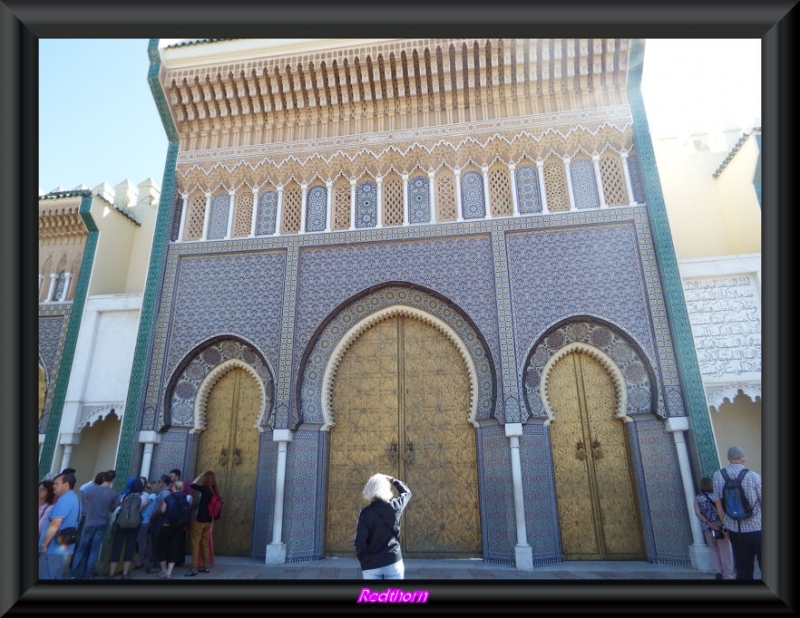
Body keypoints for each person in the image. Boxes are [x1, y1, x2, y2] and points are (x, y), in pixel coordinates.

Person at [713, 445, 762, 580]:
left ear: (728, 458)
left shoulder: (718, 476)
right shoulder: (754, 476)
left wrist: (724, 525)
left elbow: (718, 503)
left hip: (735, 530)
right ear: (743, 458)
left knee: (742, 569)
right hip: (757, 528)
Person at [354, 474, 412, 580]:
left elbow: (360, 542)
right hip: (393, 561)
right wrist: (393, 480)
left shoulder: (365, 513)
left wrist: (364, 561)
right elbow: (407, 493)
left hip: (371, 564)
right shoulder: (395, 507)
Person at [68, 470, 118, 579]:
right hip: (102, 522)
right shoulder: (113, 493)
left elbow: (87, 503)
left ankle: (72, 574)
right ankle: (88, 575)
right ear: (112, 480)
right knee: (94, 550)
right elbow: (112, 508)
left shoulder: (91, 490)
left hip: (89, 522)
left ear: (103, 478)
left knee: (81, 549)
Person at [38, 472, 80, 579]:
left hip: (53, 550)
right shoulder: (74, 498)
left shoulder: (64, 500)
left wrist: (44, 545)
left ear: (66, 485)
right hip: (63, 549)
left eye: (56, 483)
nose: (53, 486)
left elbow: (55, 523)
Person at [694, 476, 734, 579]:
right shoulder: (716, 497)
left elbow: (697, 513)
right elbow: (720, 511)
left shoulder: (698, 498)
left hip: (707, 528)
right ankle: (728, 574)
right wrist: (722, 524)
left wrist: (708, 523)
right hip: (720, 528)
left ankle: (718, 573)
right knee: (725, 551)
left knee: (713, 550)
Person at [107, 478, 144, 579]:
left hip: (121, 524)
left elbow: (116, 507)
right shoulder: (142, 497)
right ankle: (125, 573)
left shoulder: (123, 496)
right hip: (134, 525)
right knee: (129, 548)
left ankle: (111, 573)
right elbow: (140, 510)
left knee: (116, 547)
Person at [185, 470, 218, 576]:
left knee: (195, 543)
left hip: (200, 520)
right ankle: (206, 566)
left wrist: (199, 475)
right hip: (208, 520)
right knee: (204, 543)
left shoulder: (204, 489)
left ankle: (194, 568)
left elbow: (192, 484)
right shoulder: (214, 490)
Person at [156, 480, 189, 579]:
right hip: (178, 527)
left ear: (173, 487)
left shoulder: (168, 497)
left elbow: (162, 510)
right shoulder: (185, 499)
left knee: (161, 547)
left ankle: (164, 570)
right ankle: (169, 572)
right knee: (174, 548)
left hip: (167, 525)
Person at [134, 479, 158, 570]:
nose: (146, 488)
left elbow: (145, 505)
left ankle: (140, 561)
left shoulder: (152, 495)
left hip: (145, 521)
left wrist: (139, 510)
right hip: (143, 520)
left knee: (141, 541)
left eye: (148, 487)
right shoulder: (148, 495)